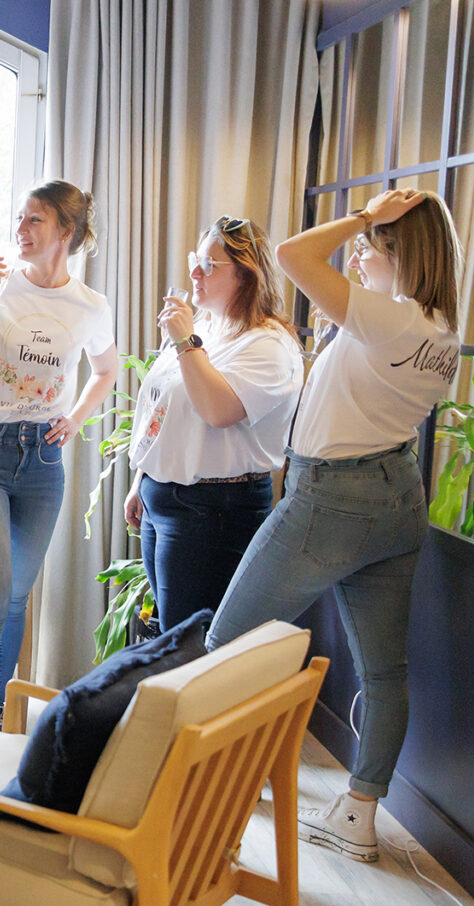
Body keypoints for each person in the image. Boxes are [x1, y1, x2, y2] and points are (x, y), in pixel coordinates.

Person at [208, 189, 462, 863]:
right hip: (395, 495)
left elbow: (291, 254)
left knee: (228, 640)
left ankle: (215, 805)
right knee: (384, 672)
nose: (355, 249)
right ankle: (359, 814)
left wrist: (362, 213)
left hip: (331, 499)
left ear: (400, 250)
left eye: (371, 243)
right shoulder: (442, 336)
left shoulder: (393, 320)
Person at [0, 179, 119, 746]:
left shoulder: (91, 305)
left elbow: (108, 370)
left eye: (34, 220)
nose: (21, 230)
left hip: (43, 459)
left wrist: (77, 417)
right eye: (19, 218)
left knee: (16, 595)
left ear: (65, 232)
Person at [123, 217, 303, 630]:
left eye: (209, 264)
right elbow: (160, 412)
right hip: (164, 499)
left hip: (213, 510)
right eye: (194, 260)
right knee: (170, 633)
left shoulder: (270, 345)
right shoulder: (204, 329)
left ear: (247, 273)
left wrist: (185, 341)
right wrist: (142, 479)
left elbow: (218, 411)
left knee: (188, 641)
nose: (194, 272)